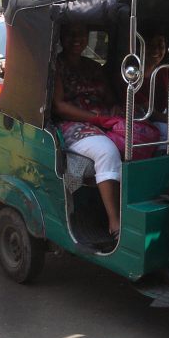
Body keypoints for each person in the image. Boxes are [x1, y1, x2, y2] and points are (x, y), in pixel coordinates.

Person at [52, 24, 122, 241]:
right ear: (61, 37)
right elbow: (59, 106)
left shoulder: (93, 66)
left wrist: (114, 109)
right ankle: (115, 222)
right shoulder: (56, 66)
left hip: (104, 120)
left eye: (81, 34)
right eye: (71, 34)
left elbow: (109, 98)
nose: (76, 39)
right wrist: (94, 118)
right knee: (107, 151)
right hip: (73, 125)